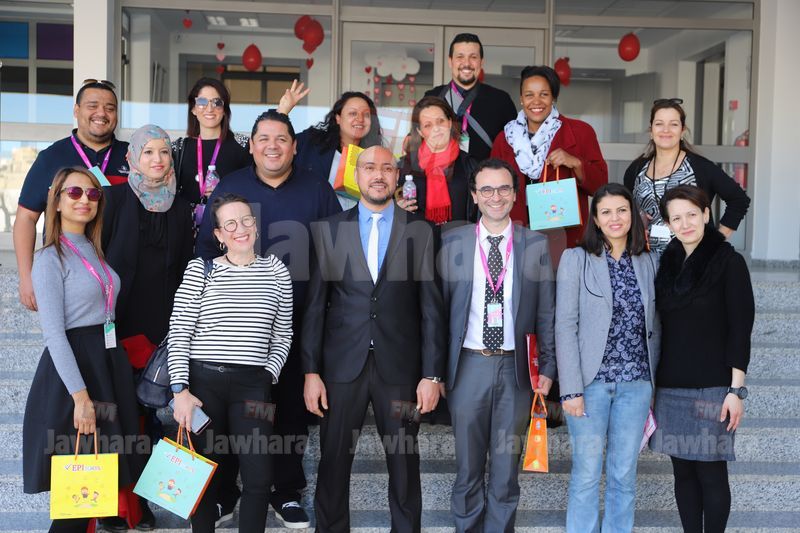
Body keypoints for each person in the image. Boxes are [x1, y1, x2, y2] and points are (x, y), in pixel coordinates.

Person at [196, 110, 341, 528]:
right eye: (263, 138)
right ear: (252, 145)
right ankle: (224, 493)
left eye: (281, 139)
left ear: (294, 146)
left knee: (290, 412)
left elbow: (335, 255)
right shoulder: (232, 186)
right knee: (228, 417)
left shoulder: (317, 189)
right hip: (234, 331)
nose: (272, 146)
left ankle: (287, 491)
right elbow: (205, 251)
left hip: (296, 325)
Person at [302, 146, 446, 533]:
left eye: (386, 168)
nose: (378, 175)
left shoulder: (421, 231)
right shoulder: (329, 229)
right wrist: (311, 372)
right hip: (340, 368)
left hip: (400, 368)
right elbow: (315, 308)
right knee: (333, 464)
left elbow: (432, 309)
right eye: (369, 167)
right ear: (357, 175)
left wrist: (432, 375)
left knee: (404, 465)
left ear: (397, 177)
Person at [22, 167, 144, 533]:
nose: (85, 200)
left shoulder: (91, 248)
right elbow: (54, 335)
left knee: (94, 490)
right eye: (74, 193)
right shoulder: (49, 259)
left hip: (104, 366)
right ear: (57, 202)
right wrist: (81, 397)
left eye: (92, 194)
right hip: (75, 377)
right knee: (78, 497)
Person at [438, 158, 555, 532]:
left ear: (515, 194)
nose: (495, 196)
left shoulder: (535, 244)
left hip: (516, 370)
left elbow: (547, 313)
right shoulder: (451, 242)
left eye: (504, 188)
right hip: (467, 366)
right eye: (486, 189)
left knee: (506, 471)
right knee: (468, 468)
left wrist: (548, 369)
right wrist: (435, 372)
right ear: (474, 195)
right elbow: (437, 312)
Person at [168, 193, 293, 532]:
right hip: (203, 385)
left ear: (256, 225)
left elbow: (283, 333)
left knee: (258, 477)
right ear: (219, 234)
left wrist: (268, 374)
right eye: (231, 224)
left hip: (253, 387)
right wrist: (180, 390)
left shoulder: (276, 271)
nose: (241, 229)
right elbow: (179, 331)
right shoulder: (201, 269)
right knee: (201, 475)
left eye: (246, 220)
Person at [101, 124, 194, 530]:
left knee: (153, 421)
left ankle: (145, 503)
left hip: (163, 333)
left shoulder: (182, 208)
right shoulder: (113, 199)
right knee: (118, 418)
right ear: (132, 158)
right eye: (148, 152)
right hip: (117, 329)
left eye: (164, 152)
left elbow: (186, 271)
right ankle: (114, 508)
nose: (157, 159)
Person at [554, 183, 661, 533]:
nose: (615, 218)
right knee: (586, 472)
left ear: (632, 216)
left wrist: (654, 385)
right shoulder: (576, 259)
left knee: (623, 474)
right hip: (590, 385)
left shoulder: (648, 262)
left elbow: (656, 325)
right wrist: (570, 389)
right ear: (596, 220)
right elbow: (565, 326)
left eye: (622, 210)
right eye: (606, 212)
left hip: (636, 384)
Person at [650, 185, 754, 533]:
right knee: (682, 472)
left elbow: (740, 328)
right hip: (671, 385)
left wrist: (736, 390)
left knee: (711, 472)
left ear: (707, 214)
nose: (686, 223)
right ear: (668, 224)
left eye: (692, 214)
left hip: (713, 387)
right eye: (676, 218)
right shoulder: (666, 264)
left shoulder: (729, 262)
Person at [14, 79, 129, 312]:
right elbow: (26, 218)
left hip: (123, 277)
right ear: (76, 110)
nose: (101, 113)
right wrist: (26, 277)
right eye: (92, 106)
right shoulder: (51, 157)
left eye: (109, 108)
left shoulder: (132, 156)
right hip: (67, 280)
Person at [491, 65, 608, 262]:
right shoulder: (505, 139)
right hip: (517, 237)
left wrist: (576, 163)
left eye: (544, 94)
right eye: (529, 95)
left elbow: (600, 186)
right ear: (521, 98)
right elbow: (493, 188)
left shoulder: (580, 132)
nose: (536, 101)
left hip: (564, 238)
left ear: (553, 97)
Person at [623, 98, 751, 254]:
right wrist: (638, 216)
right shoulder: (636, 170)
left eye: (673, 124)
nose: (666, 130)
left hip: (691, 260)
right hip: (645, 258)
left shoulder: (700, 167)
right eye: (659, 124)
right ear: (651, 131)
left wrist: (716, 241)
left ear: (682, 131)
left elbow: (739, 200)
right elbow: (626, 207)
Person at [281, 89, 383, 210]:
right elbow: (280, 145)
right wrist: (282, 112)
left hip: (355, 221)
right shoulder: (311, 142)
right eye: (353, 113)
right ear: (338, 118)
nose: (360, 119)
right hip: (312, 219)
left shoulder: (375, 157)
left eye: (366, 115)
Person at [172, 78, 252, 230]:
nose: (209, 108)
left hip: (230, 230)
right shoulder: (179, 148)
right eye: (202, 102)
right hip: (185, 230)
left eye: (217, 102)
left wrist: (224, 192)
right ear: (193, 108)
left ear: (225, 109)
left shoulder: (243, 146)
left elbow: (254, 188)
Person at [425, 33, 517, 161]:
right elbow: (419, 141)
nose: (466, 63)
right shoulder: (432, 98)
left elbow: (515, 148)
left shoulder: (501, 100)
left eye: (473, 57)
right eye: (460, 57)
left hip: (487, 173)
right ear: (450, 61)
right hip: (442, 173)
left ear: (481, 62)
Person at [396, 96, 477, 227]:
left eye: (440, 121)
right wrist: (397, 207)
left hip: (460, 237)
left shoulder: (469, 164)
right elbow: (390, 205)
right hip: (419, 238)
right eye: (428, 125)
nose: (436, 129)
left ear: (450, 123)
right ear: (420, 131)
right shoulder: (405, 166)